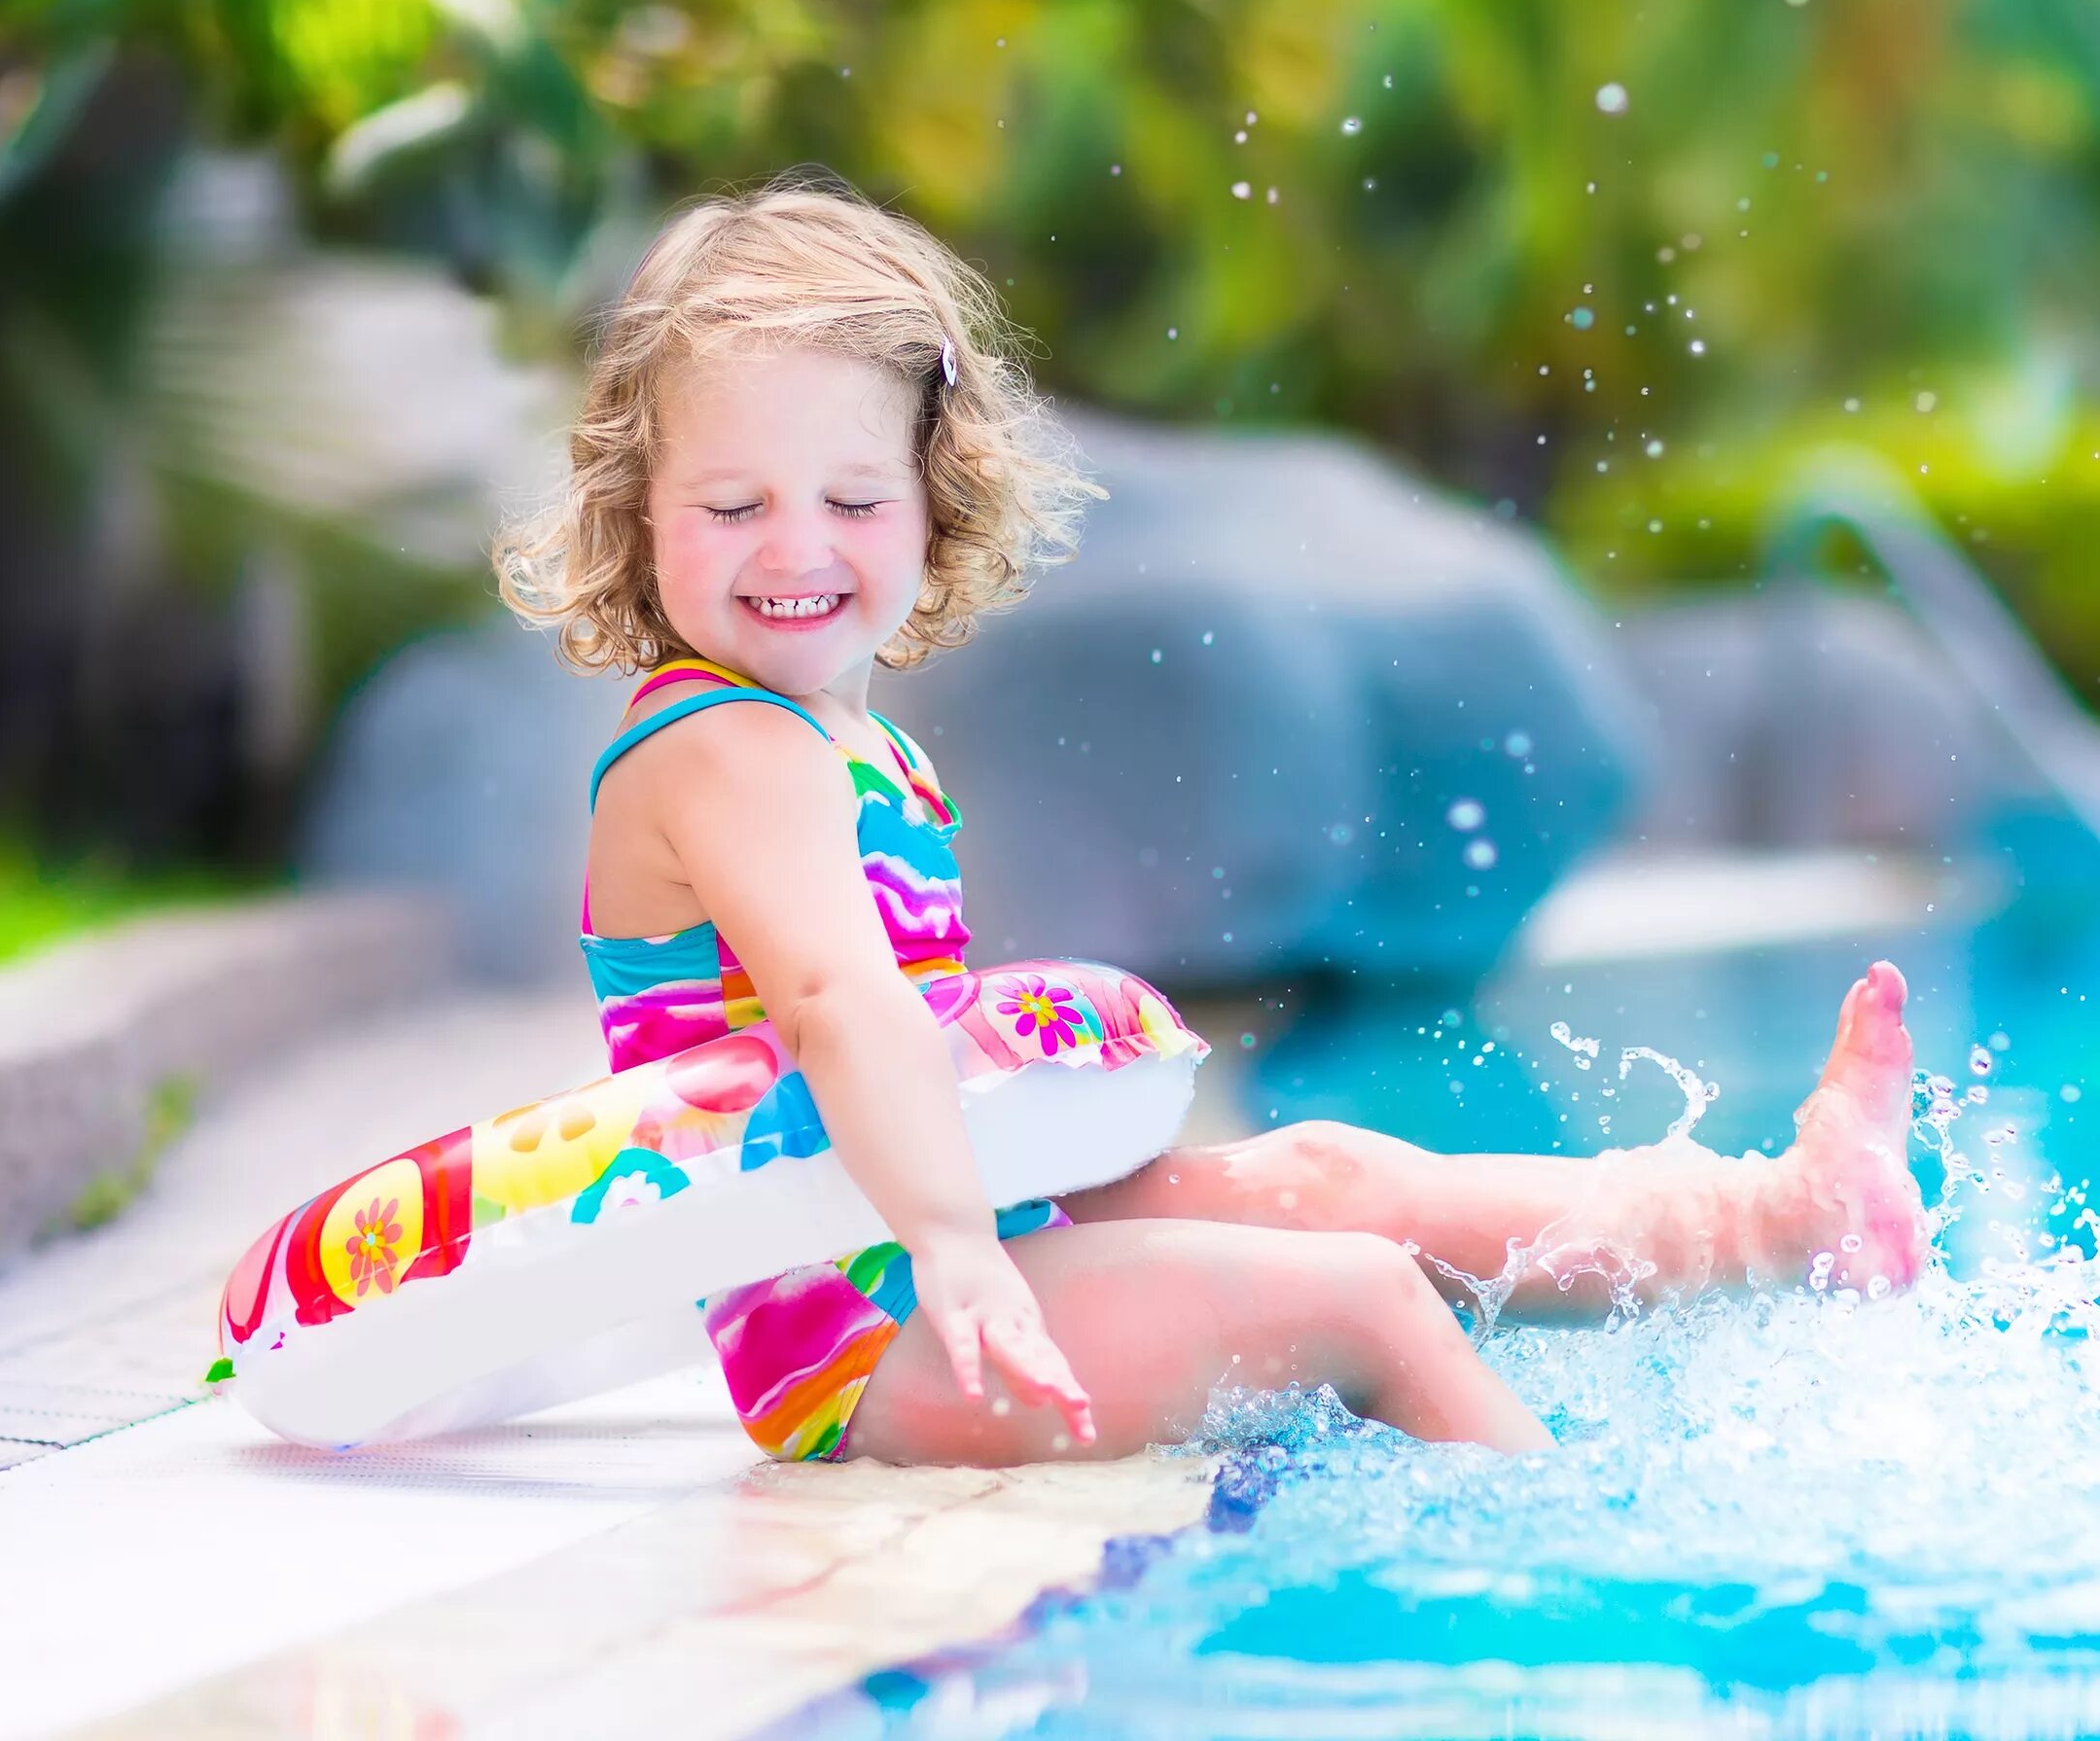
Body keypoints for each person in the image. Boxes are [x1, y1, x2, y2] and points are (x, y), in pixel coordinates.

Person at [495, 172, 1932, 1470]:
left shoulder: (852, 742)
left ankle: (1786, 1218)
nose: (797, 547)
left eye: (854, 498)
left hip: (953, 1236)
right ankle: (1565, 1592)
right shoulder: (725, 745)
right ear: (638, 513)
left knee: (1339, 1175)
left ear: (933, 499)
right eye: (733, 504)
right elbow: (838, 1005)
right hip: (862, 1328)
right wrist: (955, 1247)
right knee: (1361, 1297)